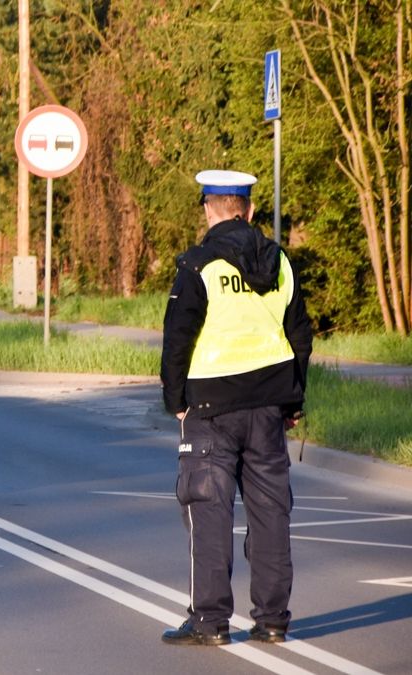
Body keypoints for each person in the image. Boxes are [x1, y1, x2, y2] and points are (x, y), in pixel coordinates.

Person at [160, 170, 313, 646]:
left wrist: (175, 403)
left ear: (210, 208)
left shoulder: (198, 265)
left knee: (208, 508)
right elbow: (300, 336)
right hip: (268, 405)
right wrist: (291, 401)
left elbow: (177, 340)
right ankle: (271, 621)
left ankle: (209, 623)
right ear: (248, 210)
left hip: (210, 407)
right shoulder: (280, 263)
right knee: (271, 513)